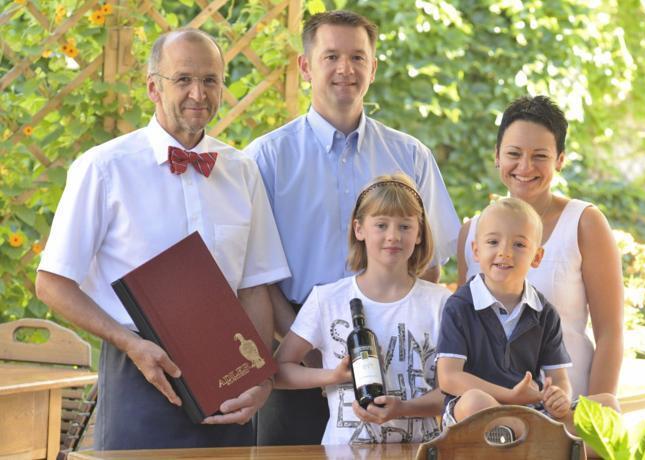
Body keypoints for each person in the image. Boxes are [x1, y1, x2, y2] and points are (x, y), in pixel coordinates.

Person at [34, 28, 286, 449]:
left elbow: (254, 287)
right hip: (138, 372)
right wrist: (131, 344)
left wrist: (259, 379)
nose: (198, 93)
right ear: (153, 87)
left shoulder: (241, 170)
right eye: (183, 79)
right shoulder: (104, 168)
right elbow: (52, 283)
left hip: (230, 380)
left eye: (210, 80)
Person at [245, 10, 460, 444]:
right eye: (331, 57)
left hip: (395, 370)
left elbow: (431, 262)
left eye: (358, 57)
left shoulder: (411, 156)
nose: (345, 68)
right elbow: (255, 271)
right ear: (306, 66)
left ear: (373, 68)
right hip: (297, 353)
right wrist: (309, 344)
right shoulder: (264, 159)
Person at [457, 96, 624, 401]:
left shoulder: (584, 223)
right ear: (497, 156)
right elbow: (462, 334)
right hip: (490, 413)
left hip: (568, 408)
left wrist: (594, 415)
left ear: (560, 159)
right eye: (514, 154)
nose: (525, 167)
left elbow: (610, 333)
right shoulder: (472, 233)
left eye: (540, 156)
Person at [274, 174, 449, 444]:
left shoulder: (441, 303)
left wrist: (404, 408)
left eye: (405, 226)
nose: (393, 236)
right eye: (381, 225)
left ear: (419, 234)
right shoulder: (326, 299)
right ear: (359, 229)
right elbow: (278, 371)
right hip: (343, 452)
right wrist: (332, 376)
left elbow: (457, 389)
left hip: (421, 452)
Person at [438, 198, 619, 440]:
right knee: (474, 401)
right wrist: (509, 396)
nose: (504, 252)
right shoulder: (459, 306)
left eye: (519, 244)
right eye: (493, 242)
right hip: (475, 415)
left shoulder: (545, 312)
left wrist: (559, 398)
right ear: (476, 251)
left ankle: (525, 442)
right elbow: (449, 378)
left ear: (537, 256)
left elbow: (559, 380)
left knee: (607, 406)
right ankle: (538, 443)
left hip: (531, 412)